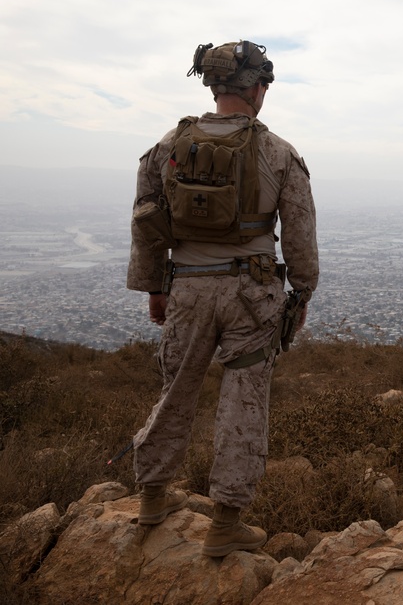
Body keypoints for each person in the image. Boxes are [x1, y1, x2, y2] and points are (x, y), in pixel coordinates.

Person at [127, 40, 319, 557]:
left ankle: (152, 498)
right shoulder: (278, 152)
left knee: (175, 390)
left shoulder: (169, 145)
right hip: (252, 295)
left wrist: (155, 288)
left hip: (187, 289)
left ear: (213, 86)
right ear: (257, 89)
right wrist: (301, 294)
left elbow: (145, 222)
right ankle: (225, 521)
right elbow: (300, 235)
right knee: (244, 401)